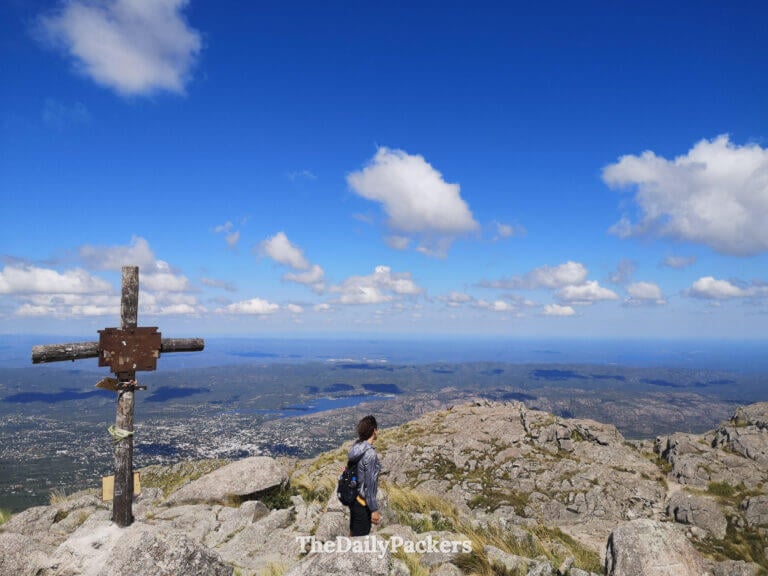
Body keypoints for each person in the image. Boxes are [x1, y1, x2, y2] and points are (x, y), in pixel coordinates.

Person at [347, 414, 381, 536]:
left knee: (353, 536)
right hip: (363, 504)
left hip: (354, 501)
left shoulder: (356, 449)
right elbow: (369, 485)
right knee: (359, 542)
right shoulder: (370, 454)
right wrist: (374, 510)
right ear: (374, 431)